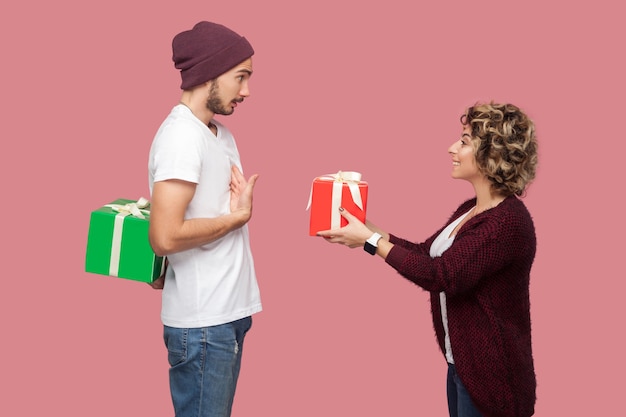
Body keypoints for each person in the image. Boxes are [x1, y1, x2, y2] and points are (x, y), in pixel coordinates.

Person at [318, 102, 538, 417]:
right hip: (462, 364)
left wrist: (371, 241)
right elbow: (426, 253)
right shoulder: (472, 210)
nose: (452, 148)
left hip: (493, 378)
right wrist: (369, 231)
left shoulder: (506, 224)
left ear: (493, 154)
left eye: (464, 141)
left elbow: (441, 275)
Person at [147, 21, 262, 417]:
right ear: (208, 74)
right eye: (240, 77)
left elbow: (189, 218)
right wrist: (237, 218)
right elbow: (164, 236)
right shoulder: (181, 137)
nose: (246, 90)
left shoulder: (219, 134)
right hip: (203, 324)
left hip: (227, 313)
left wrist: (233, 211)